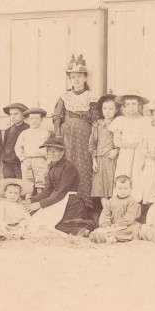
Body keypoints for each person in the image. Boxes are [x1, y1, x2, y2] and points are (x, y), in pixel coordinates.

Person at [22, 135, 96, 237]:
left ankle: (82, 230)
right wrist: (29, 201)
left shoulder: (68, 167)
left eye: (55, 151)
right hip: (58, 200)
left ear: (62, 152)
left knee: (53, 224)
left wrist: (40, 204)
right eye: (49, 151)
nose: (52, 154)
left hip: (71, 202)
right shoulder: (52, 167)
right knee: (38, 221)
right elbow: (47, 192)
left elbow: (62, 192)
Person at [52, 55, 99, 206]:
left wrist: (94, 139)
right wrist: (58, 136)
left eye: (79, 76)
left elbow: (95, 120)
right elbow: (57, 116)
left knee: (83, 166)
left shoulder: (90, 96)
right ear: (70, 79)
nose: (76, 80)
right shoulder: (65, 96)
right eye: (73, 77)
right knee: (67, 164)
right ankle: (64, 201)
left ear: (85, 78)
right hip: (66, 135)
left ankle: (84, 202)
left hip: (84, 135)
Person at [109, 89, 152, 201]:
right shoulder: (120, 120)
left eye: (134, 104)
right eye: (128, 104)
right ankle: (121, 203)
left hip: (139, 152)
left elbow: (146, 140)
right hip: (125, 153)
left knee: (138, 176)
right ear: (124, 106)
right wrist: (128, 144)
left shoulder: (145, 121)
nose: (131, 107)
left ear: (139, 105)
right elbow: (117, 141)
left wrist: (142, 151)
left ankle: (136, 203)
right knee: (123, 175)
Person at [88, 175, 141, 244]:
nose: (123, 191)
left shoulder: (132, 201)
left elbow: (130, 216)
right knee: (101, 230)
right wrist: (106, 224)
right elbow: (105, 213)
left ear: (131, 188)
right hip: (113, 226)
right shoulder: (111, 201)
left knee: (128, 231)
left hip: (127, 225)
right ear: (115, 189)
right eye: (120, 188)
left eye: (126, 188)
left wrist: (118, 224)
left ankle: (109, 239)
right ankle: (102, 237)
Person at [90, 95, 120, 209]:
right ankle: (106, 213)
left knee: (112, 187)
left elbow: (123, 140)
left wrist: (117, 150)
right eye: (105, 108)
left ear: (116, 110)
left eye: (111, 109)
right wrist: (94, 160)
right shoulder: (97, 124)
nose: (107, 112)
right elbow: (92, 143)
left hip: (112, 160)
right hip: (99, 160)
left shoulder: (118, 123)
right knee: (101, 189)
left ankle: (114, 214)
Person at [15, 107, 50, 193]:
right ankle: (28, 199)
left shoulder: (45, 133)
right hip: (27, 160)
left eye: (37, 118)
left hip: (41, 160)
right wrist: (22, 159)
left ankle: (40, 198)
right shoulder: (24, 133)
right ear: (27, 120)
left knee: (41, 181)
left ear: (41, 120)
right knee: (27, 181)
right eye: (32, 118)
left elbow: (50, 148)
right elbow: (18, 147)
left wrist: (48, 161)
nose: (34, 120)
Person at [1, 102, 29, 179]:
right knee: (9, 184)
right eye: (11, 114)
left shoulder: (28, 130)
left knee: (21, 184)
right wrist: (5, 160)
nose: (13, 117)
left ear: (23, 115)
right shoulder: (8, 130)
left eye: (16, 114)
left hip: (20, 164)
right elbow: (4, 148)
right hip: (8, 164)